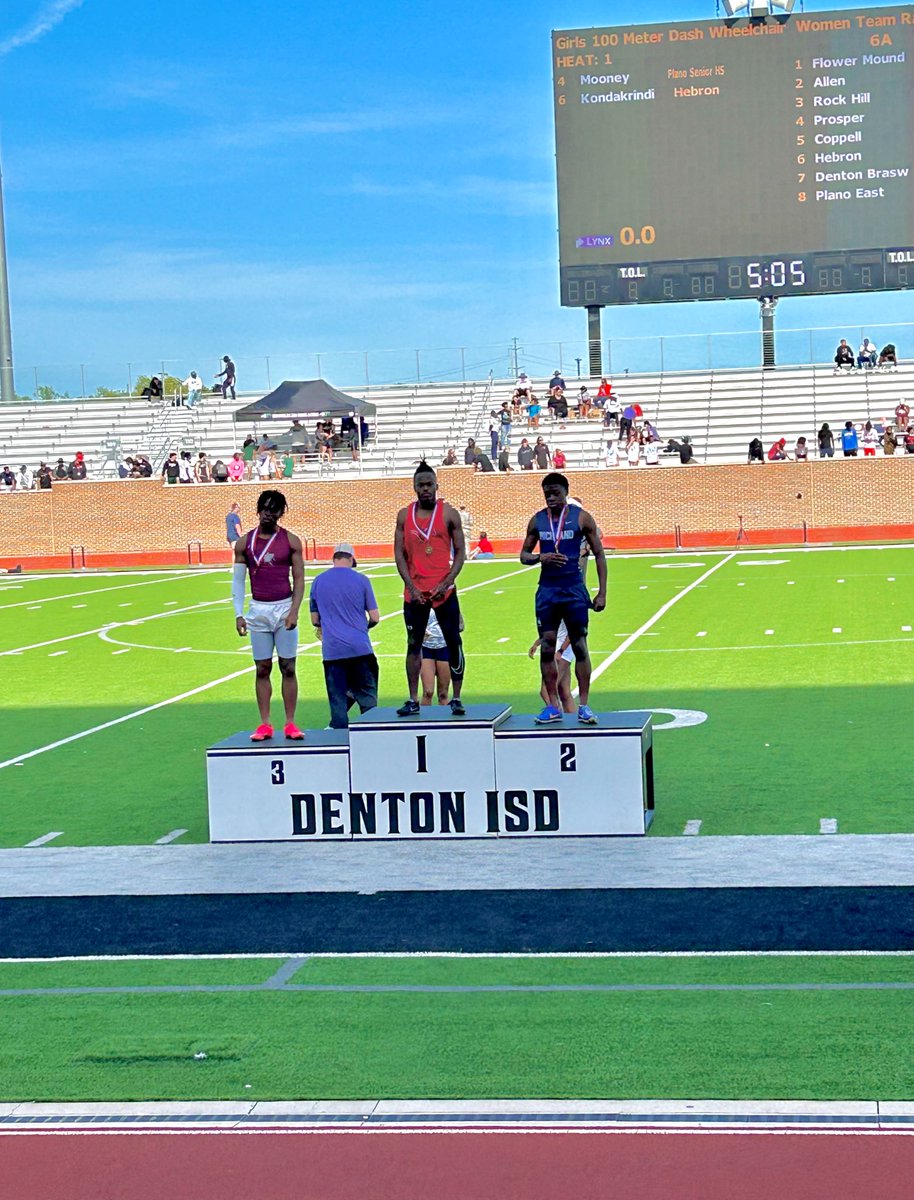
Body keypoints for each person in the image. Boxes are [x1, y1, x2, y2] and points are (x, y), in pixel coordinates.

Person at [520, 472, 606, 726]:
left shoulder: (581, 518)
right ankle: (552, 707)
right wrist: (540, 558)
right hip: (547, 590)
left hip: (573, 589)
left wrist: (602, 591)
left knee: (579, 645)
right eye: (547, 492)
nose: (551, 497)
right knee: (548, 645)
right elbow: (524, 555)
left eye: (556, 492)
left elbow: (599, 553)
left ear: (566, 492)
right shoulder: (537, 521)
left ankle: (585, 705)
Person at [393, 461, 467, 717]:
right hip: (414, 593)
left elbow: (460, 554)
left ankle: (456, 698)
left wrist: (446, 582)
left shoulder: (449, 514)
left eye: (429, 484)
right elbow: (399, 555)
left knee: (454, 642)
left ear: (437, 485)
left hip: (443, 591)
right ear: (414, 487)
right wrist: (410, 586)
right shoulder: (404, 515)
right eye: (420, 485)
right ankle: (413, 699)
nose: (425, 489)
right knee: (413, 644)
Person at [232, 489, 305, 741]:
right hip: (259, 611)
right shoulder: (245, 543)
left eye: (274, 509)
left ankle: (290, 723)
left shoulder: (292, 541)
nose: (268, 513)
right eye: (265, 508)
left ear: (281, 513)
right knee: (262, 668)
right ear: (258, 509)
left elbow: (299, 579)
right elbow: (239, 581)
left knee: (288, 667)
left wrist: (294, 611)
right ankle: (265, 724)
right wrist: (238, 614)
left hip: (284, 608)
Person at [309, 543, 380, 729]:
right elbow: (375, 617)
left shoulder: (318, 581)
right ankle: (371, 739)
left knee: (338, 704)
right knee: (368, 701)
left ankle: (338, 743)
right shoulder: (362, 580)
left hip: (332, 652)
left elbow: (315, 619)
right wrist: (364, 628)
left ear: (334, 559)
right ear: (351, 559)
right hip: (360, 648)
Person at [529, 625, 575, 715]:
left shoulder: (566, 611)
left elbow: (573, 631)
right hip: (561, 650)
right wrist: (536, 643)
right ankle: (574, 723)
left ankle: (555, 714)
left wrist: (561, 651)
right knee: (564, 692)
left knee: (545, 691)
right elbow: (551, 631)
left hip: (560, 651)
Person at [420, 609, 452, 706]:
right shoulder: (421, 601)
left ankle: (444, 720)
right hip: (426, 648)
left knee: (443, 694)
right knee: (427, 692)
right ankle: (424, 720)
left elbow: (460, 625)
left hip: (444, 647)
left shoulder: (446, 601)